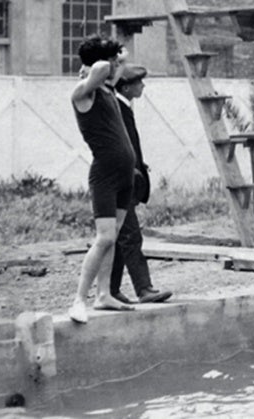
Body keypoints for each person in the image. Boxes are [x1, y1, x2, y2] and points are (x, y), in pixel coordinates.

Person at [68, 36, 136, 323]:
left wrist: (115, 57)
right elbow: (97, 69)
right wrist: (97, 63)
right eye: (110, 61)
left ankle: (103, 294)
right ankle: (78, 301)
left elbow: (119, 62)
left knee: (113, 237)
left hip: (124, 174)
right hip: (105, 174)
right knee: (104, 237)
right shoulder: (83, 93)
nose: (114, 66)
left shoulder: (108, 90)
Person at [109, 65, 173, 305]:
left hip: (126, 181)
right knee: (131, 237)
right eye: (139, 83)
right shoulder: (118, 108)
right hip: (121, 182)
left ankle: (112, 289)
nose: (143, 86)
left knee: (119, 238)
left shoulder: (123, 106)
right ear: (126, 87)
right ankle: (144, 289)